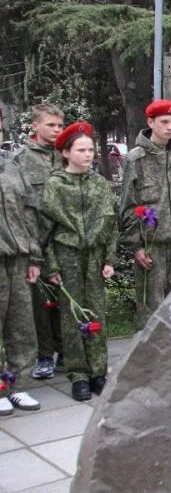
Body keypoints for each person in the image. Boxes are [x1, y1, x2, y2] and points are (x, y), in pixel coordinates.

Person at [40, 122, 118, 402]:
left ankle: (98, 371)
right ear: (66, 153)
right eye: (81, 150)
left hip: (95, 256)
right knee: (73, 316)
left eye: (91, 150)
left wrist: (109, 258)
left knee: (96, 313)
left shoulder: (99, 183)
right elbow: (46, 231)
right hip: (67, 255)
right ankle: (78, 374)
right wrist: (52, 267)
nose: (88, 155)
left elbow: (111, 223)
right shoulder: (56, 185)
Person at [118, 100, 171, 327]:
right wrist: (136, 246)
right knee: (151, 309)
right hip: (151, 246)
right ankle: (149, 359)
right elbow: (128, 205)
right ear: (150, 122)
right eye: (164, 122)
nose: (169, 127)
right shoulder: (136, 159)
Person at [13, 104, 64, 381]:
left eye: (59, 125)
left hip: (65, 240)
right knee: (42, 303)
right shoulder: (21, 159)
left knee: (67, 298)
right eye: (51, 125)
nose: (56, 130)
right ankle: (44, 355)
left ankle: (67, 351)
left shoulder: (65, 154)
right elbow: (19, 204)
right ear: (35, 125)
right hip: (36, 241)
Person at [0, 147, 43, 414]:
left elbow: (28, 213)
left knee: (21, 324)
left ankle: (17, 384)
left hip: (18, 256)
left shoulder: (12, 167)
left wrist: (34, 257)